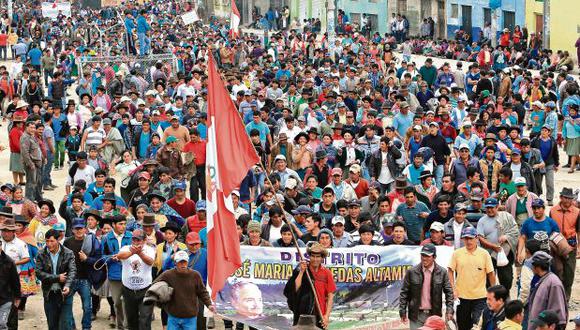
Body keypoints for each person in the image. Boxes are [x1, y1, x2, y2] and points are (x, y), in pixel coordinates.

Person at [448, 227, 496, 330]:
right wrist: (453, 288)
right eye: (466, 238)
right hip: (462, 297)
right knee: (462, 325)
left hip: (480, 297)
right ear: (462, 239)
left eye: (471, 238)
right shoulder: (457, 253)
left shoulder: (484, 254)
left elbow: (491, 274)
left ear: (476, 238)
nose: (468, 241)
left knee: (477, 325)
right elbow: (450, 270)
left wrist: (493, 291)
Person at [153, 250, 215, 329]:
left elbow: (203, 292)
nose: (183, 264)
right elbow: (154, 286)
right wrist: (161, 301)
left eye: (185, 262)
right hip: (173, 317)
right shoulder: (168, 274)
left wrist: (209, 304)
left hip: (190, 317)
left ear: (188, 262)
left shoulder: (195, 275)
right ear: (175, 263)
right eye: (180, 262)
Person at [399, 244, 454, 329]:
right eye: (423, 255)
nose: (424, 258)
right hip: (416, 315)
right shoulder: (411, 272)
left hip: (434, 315)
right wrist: (402, 311)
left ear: (434, 257)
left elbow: (449, 292)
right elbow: (404, 293)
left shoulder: (442, 272)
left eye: (428, 256)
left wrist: (449, 310)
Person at [284, 243, 335, 328]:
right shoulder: (303, 269)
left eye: (318, 256)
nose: (315, 259)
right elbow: (295, 289)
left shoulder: (327, 273)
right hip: (303, 314)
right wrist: (301, 272)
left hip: (319, 314)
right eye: (313, 256)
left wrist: (326, 316)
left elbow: (330, 296)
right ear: (309, 256)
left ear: (322, 258)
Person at [63, 218, 102, 330]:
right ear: (72, 230)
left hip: (85, 279)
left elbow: (99, 261)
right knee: (67, 306)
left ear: (85, 229)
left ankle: (86, 327)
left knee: (87, 307)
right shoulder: (67, 242)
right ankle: (72, 327)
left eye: (81, 228)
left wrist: (87, 259)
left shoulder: (92, 241)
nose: (79, 230)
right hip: (71, 279)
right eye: (77, 228)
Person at [35, 229, 77, 330]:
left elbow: (72, 271)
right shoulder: (41, 254)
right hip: (49, 294)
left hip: (65, 293)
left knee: (65, 324)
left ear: (58, 240)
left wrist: (67, 285)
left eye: (52, 241)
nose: (49, 244)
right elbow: (38, 273)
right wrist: (57, 278)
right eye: (47, 241)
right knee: (52, 325)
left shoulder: (68, 253)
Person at [477, 198, 519, 291]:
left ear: (497, 207)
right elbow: (480, 238)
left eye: (492, 207)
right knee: (488, 280)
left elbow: (515, 231)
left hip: (505, 252)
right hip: (488, 254)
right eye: (488, 208)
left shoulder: (506, 217)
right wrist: (493, 247)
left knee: (506, 279)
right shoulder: (482, 221)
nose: (490, 210)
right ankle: (490, 299)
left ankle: (505, 297)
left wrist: (506, 236)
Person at [117, 229, 155, 330]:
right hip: (128, 290)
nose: (136, 242)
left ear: (144, 240)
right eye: (134, 239)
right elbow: (120, 256)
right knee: (131, 319)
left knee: (145, 319)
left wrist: (140, 254)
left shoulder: (150, 249)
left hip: (145, 290)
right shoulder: (126, 248)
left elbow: (150, 261)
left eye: (138, 240)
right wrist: (132, 252)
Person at [101, 215, 132, 330]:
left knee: (128, 302)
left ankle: (127, 326)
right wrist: (111, 258)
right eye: (120, 224)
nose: (123, 226)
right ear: (113, 225)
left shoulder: (131, 236)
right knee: (117, 302)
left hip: (129, 273)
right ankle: (120, 325)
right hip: (114, 275)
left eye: (124, 224)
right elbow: (102, 256)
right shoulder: (106, 238)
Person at [548, 188, 579, 300]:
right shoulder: (553, 210)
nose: (568, 200)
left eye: (570, 198)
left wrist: (579, 248)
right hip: (556, 245)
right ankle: (558, 298)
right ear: (561, 197)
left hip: (571, 246)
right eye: (565, 197)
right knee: (557, 271)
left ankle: (566, 299)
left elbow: (578, 231)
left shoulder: (577, 212)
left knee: (569, 274)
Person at [526, 252, 568, 330]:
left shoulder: (554, 283)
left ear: (537, 267)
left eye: (532, 265)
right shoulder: (542, 280)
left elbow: (559, 314)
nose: (531, 267)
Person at [0, 230, 21, 330]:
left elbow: (15, 281)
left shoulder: (8, 262)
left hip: (6, 298)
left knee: (3, 324)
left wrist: (17, 297)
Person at [20, 121, 43, 202]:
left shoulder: (31, 136)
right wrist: (31, 164)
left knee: (35, 183)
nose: (33, 129)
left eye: (34, 128)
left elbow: (36, 149)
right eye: (31, 127)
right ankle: (29, 201)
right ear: (26, 127)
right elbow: (25, 153)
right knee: (30, 183)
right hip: (31, 164)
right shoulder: (25, 137)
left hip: (36, 163)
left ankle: (34, 199)